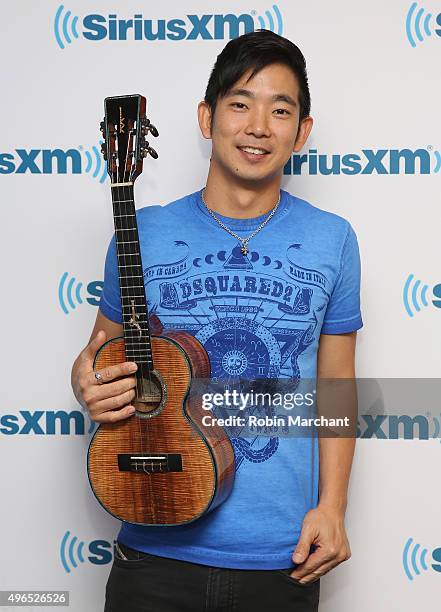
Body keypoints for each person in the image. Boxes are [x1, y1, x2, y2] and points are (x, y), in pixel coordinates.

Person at [71, 29, 362, 612]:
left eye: (281, 110)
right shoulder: (141, 233)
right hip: (153, 550)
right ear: (206, 118)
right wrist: (85, 380)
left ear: (302, 132)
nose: (258, 126)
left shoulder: (333, 240)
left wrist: (332, 509)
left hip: (281, 559)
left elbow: (336, 390)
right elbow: (101, 356)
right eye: (240, 103)